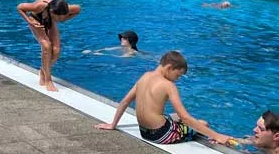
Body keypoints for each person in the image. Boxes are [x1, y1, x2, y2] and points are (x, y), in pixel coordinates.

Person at [95, 50, 232, 145]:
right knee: (202, 123)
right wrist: (217, 136)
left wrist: (113, 125)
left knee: (173, 116)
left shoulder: (145, 76)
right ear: (169, 67)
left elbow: (125, 101)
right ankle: (216, 136)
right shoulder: (168, 85)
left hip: (144, 132)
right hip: (161, 135)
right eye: (178, 75)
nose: (177, 79)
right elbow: (185, 117)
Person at [16, 0, 82, 92]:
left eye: (61, 17)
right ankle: (48, 80)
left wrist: (63, 19)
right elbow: (20, 7)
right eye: (59, 17)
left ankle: (43, 71)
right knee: (47, 46)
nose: (60, 19)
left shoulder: (66, 8)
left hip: (51, 21)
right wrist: (30, 22)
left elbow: (78, 10)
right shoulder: (39, 6)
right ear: (51, 11)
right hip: (36, 19)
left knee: (56, 50)